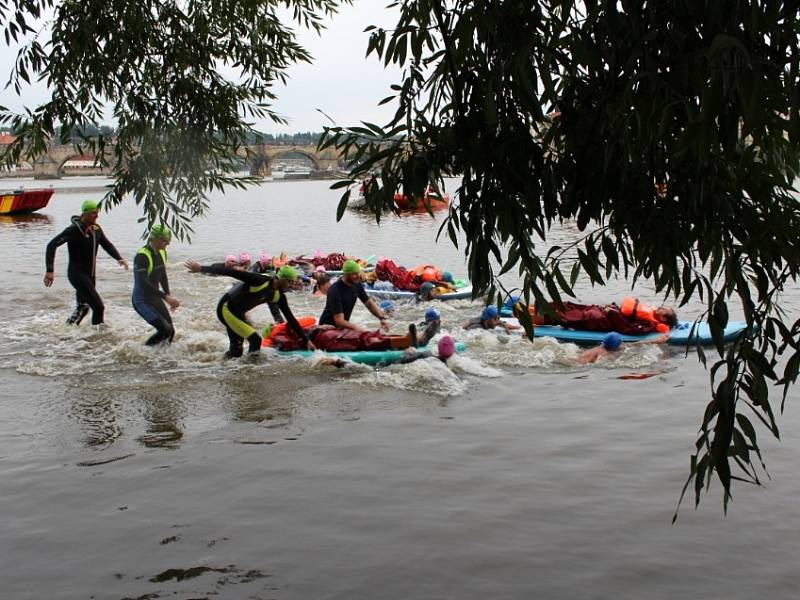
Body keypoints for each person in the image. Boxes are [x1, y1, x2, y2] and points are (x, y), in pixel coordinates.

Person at [185, 260, 314, 358]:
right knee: (255, 339)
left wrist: (306, 340)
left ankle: (223, 368)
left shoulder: (279, 296)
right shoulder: (259, 280)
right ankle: (251, 370)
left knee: (236, 351)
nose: (291, 285)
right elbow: (231, 272)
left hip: (238, 314)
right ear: (281, 278)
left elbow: (290, 319)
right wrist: (201, 268)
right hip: (226, 309)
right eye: (290, 282)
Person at [310, 259, 438, 351]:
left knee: (369, 335)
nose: (358, 276)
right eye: (354, 274)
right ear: (346, 274)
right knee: (366, 337)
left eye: (358, 273)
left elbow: (369, 303)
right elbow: (339, 321)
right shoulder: (335, 291)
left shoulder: (356, 284)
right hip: (327, 331)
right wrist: (357, 328)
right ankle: (407, 341)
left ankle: (413, 338)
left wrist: (382, 318)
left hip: (341, 331)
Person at [44, 200, 129, 326]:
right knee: (99, 307)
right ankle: (98, 336)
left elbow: (107, 244)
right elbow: (51, 245)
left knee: (83, 308)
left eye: (97, 212)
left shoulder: (96, 229)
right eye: (94, 213)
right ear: (85, 213)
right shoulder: (73, 230)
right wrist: (50, 270)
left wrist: (119, 258)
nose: (97, 216)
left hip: (90, 275)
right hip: (77, 274)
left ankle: (68, 330)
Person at [518, 297, 678, 335]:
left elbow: (627, 328)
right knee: (565, 305)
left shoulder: (649, 325)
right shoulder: (648, 313)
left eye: (666, 310)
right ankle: (525, 308)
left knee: (560, 317)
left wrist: (613, 313)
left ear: (664, 319)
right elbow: (626, 314)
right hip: (598, 312)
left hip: (598, 321)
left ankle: (523, 317)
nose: (662, 307)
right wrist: (613, 307)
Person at [132, 225, 180, 345]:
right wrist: (166, 297)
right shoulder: (142, 256)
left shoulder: (162, 252)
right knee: (165, 329)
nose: (168, 243)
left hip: (155, 298)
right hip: (142, 301)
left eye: (169, 240)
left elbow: (162, 275)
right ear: (155, 239)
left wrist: (168, 295)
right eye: (165, 240)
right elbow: (144, 283)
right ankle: (144, 352)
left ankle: (161, 360)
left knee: (171, 331)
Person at [577, 332, 670, 364]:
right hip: (580, 365)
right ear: (616, 347)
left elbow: (637, 344)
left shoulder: (598, 348)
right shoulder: (605, 354)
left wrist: (657, 341)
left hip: (577, 359)